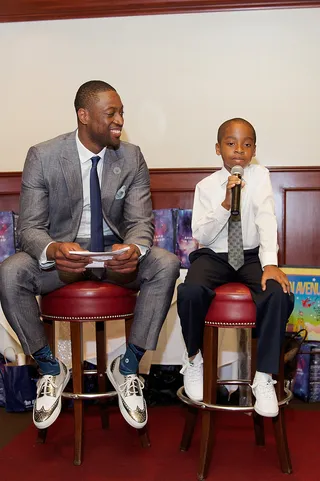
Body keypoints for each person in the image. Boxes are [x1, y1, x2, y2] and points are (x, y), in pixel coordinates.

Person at [0, 80, 180, 430]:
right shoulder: (44, 155)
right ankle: (50, 368)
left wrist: (135, 248)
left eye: (122, 113)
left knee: (166, 262)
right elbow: (30, 229)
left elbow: (141, 222)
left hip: (114, 258)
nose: (120, 121)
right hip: (63, 258)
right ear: (83, 115)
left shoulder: (131, 156)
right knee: (10, 272)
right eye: (111, 113)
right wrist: (54, 249)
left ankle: (128, 368)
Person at [177, 118, 294, 418]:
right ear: (218, 149)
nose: (239, 150)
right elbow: (201, 234)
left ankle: (264, 376)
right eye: (231, 143)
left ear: (255, 149)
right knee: (190, 291)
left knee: (278, 293)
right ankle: (193, 358)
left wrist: (270, 264)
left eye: (247, 144)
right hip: (215, 256)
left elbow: (267, 218)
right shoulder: (205, 187)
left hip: (252, 255)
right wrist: (227, 203)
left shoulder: (261, 176)